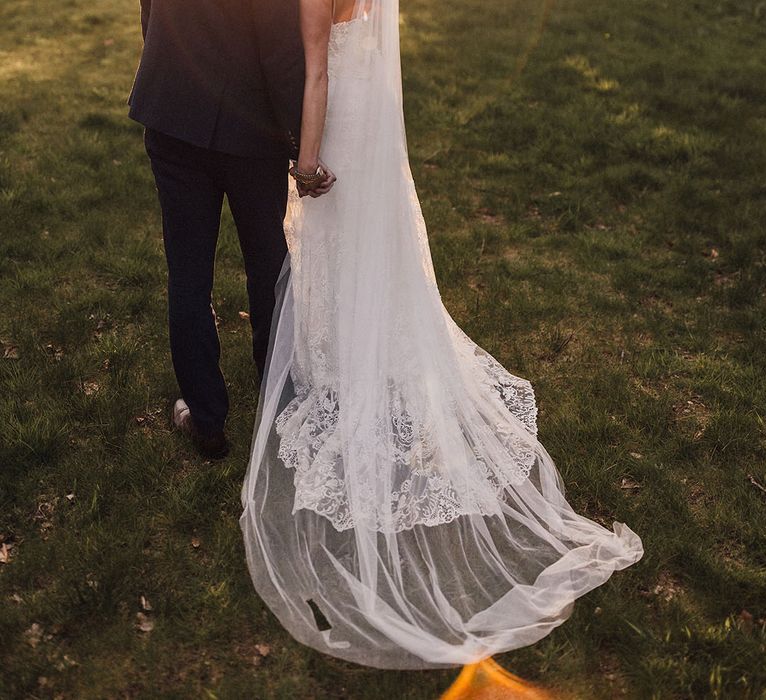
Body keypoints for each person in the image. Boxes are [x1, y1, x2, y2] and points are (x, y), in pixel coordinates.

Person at [240, 0, 644, 670]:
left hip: (337, 119)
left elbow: (316, 72)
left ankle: (344, 361)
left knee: (338, 242)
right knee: (374, 246)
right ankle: (371, 345)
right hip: (372, 116)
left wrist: (305, 163)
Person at [127, 0, 334, 459]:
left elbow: (149, 12)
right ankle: (279, 400)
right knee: (267, 267)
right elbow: (281, 56)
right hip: (251, 133)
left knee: (188, 273)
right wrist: (304, 147)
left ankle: (205, 420)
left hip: (172, 114)